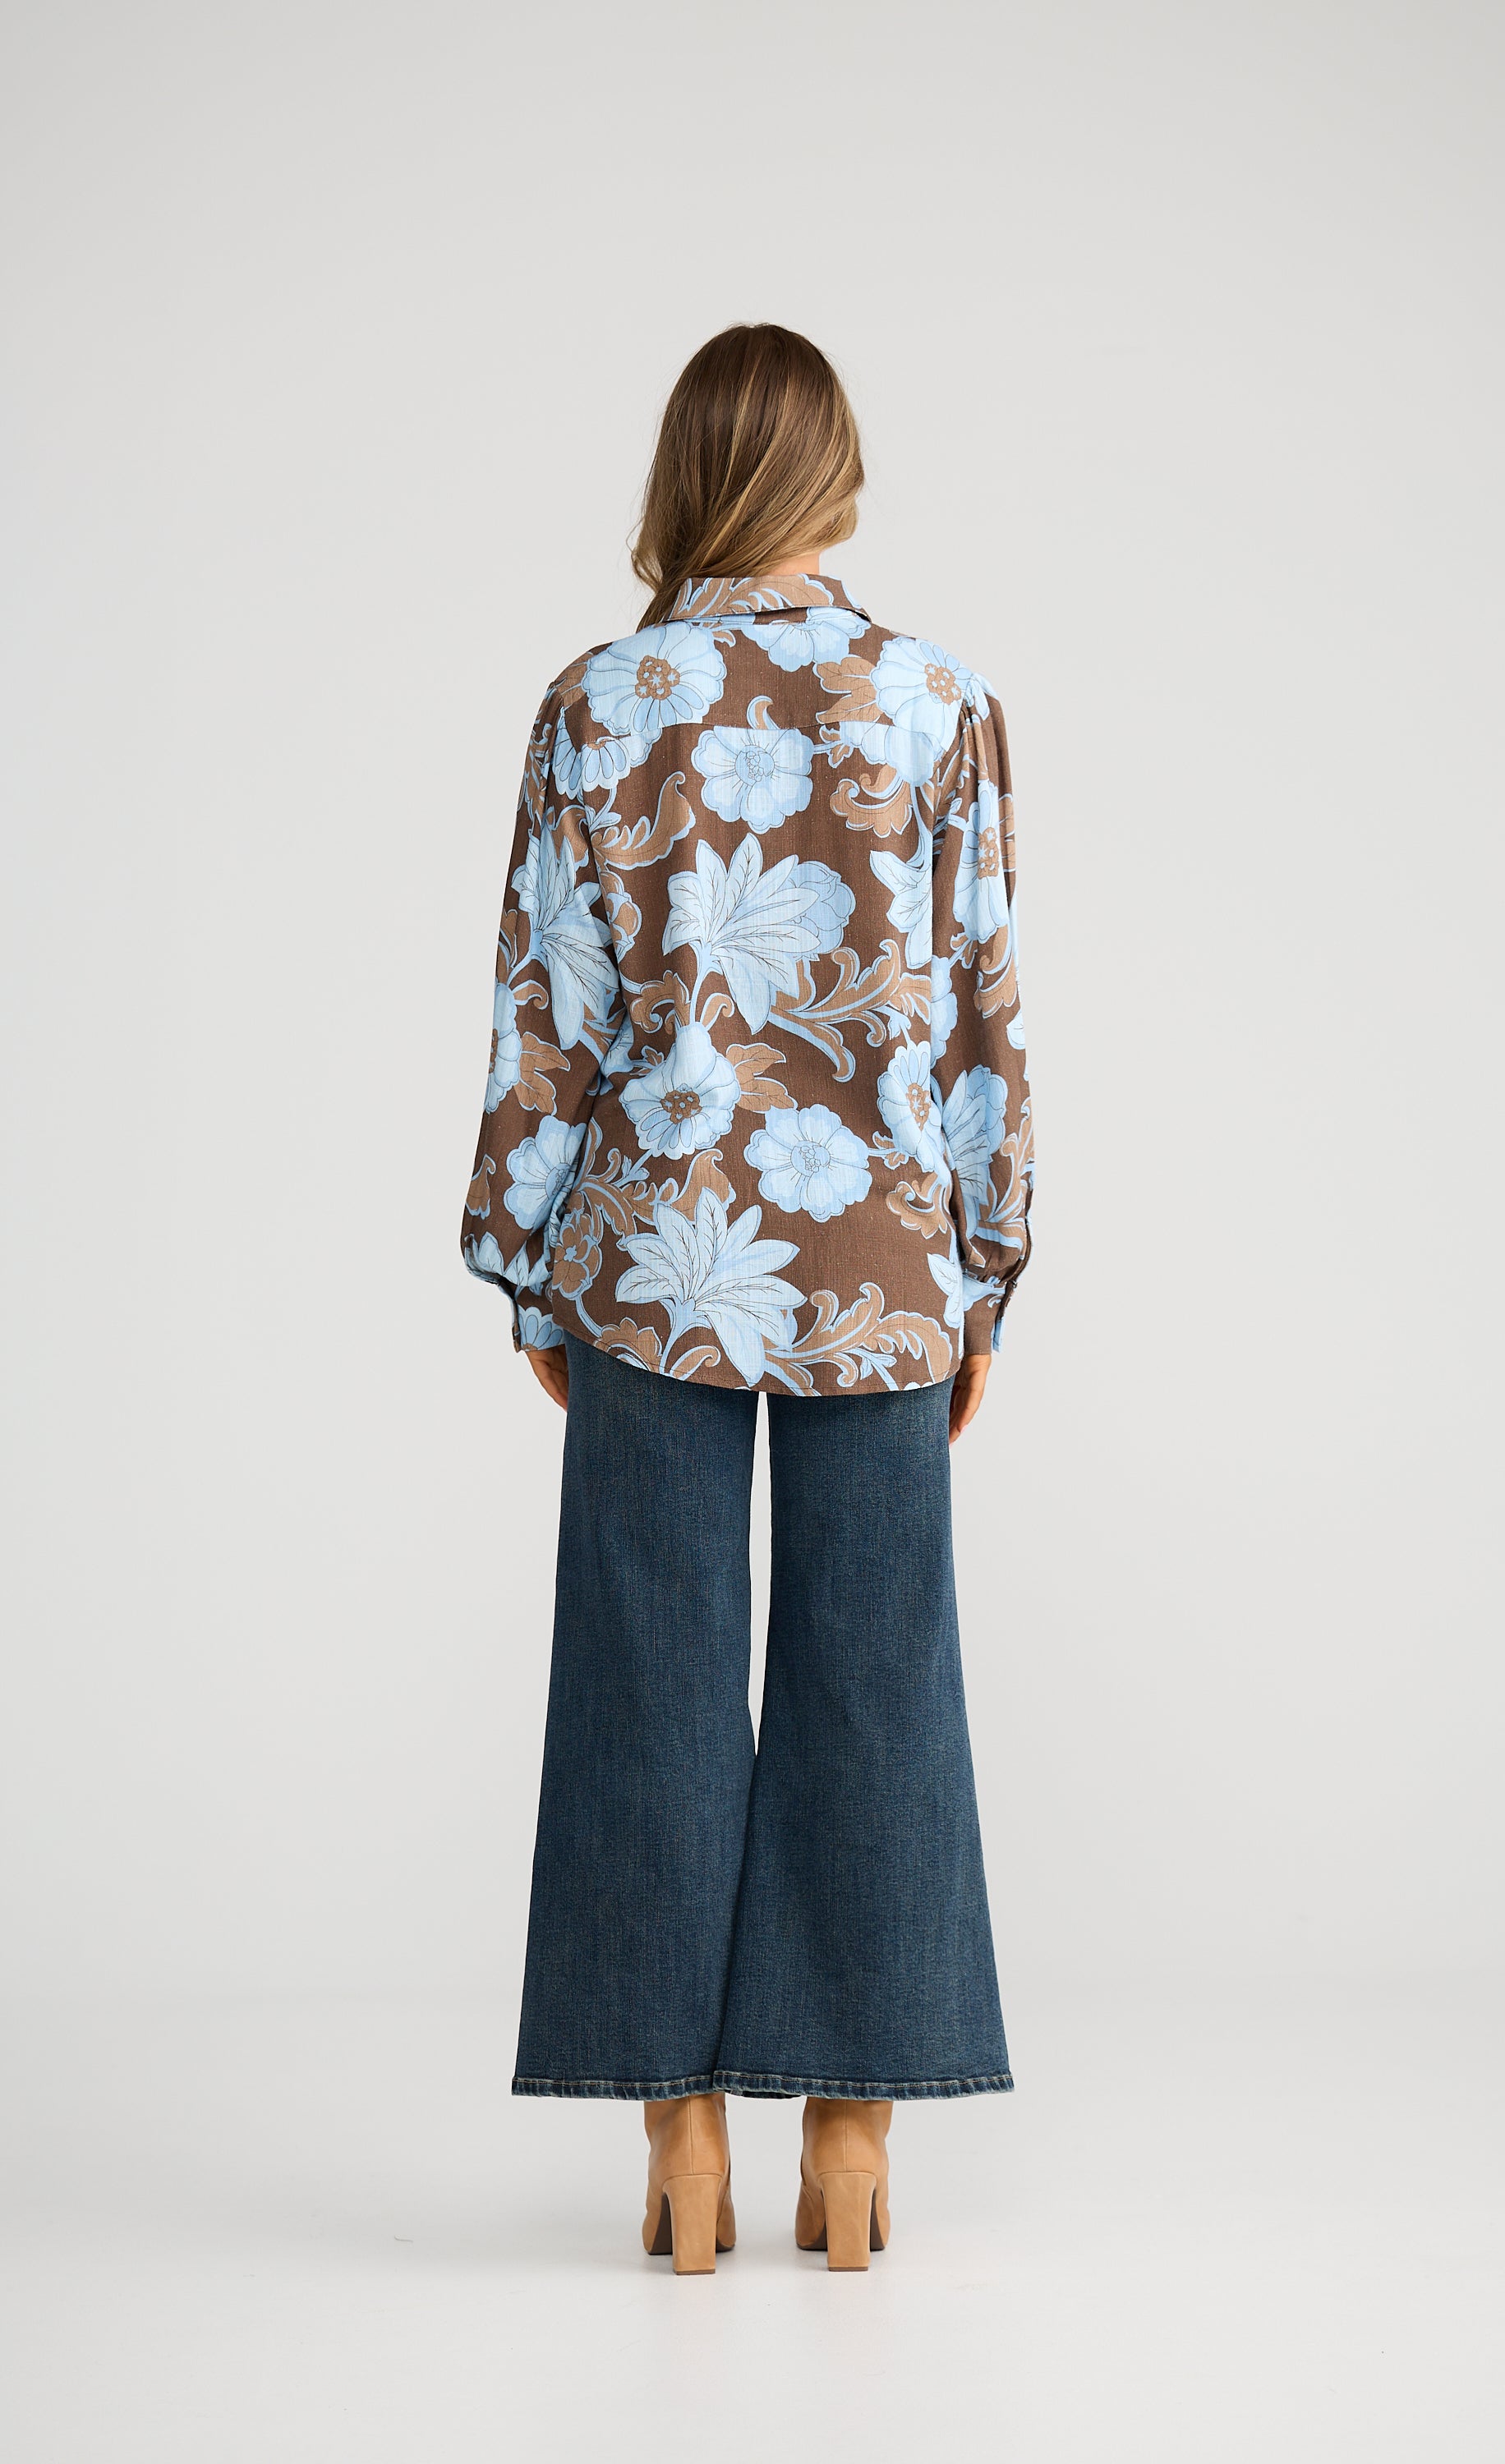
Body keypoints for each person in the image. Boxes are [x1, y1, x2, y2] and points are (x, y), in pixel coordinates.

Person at [461, 323, 1033, 2273]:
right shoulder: (934, 701)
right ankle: (854, 2155)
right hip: (880, 1260)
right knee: (879, 1682)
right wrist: (985, 1275)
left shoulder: (597, 701)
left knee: (647, 1682)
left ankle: (682, 2153)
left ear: (687, 470)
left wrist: (533, 1270)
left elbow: (551, 1011)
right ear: (838, 479)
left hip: (650, 1261)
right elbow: (976, 1020)